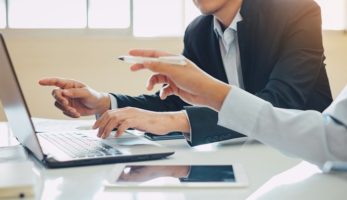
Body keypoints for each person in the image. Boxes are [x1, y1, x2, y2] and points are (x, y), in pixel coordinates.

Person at [39, 0, 332, 146]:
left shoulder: (298, 11)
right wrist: (104, 102)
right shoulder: (199, 32)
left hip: (304, 155)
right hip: (241, 151)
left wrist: (175, 121)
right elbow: (178, 103)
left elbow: (282, 102)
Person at [128, 49, 347, 167]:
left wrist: (212, 96)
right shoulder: (199, 30)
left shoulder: (291, 10)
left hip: (293, 163)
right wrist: (105, 101)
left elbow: (333, 138)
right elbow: (171, 98)